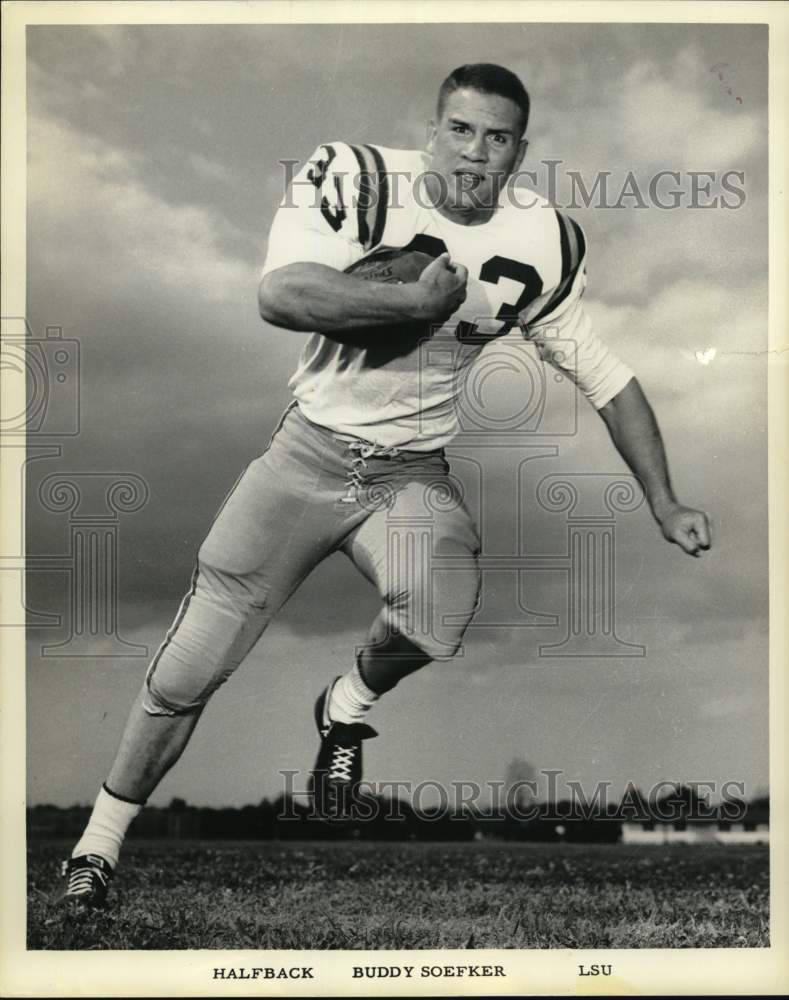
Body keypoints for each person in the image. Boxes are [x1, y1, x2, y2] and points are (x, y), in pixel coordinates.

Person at [58, 63, 711, 909]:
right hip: (307, 456)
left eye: (498, 137)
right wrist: (409, 303)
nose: (476, 154)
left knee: (440, 615)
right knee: (187, 671)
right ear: (431, 128)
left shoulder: (545, 239)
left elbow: (609, 378)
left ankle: (346, 702)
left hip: (409, 475)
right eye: (461, 130)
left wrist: (663, 498)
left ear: (520, 149)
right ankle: (96, 849)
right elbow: (280, 294)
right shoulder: (358, 176)